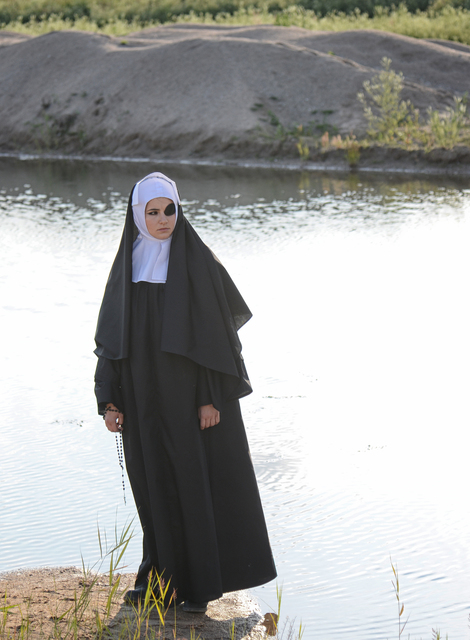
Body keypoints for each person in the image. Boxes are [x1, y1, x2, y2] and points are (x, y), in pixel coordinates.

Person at [93, 171, 276, 614]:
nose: (163, 220)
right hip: (141, 397)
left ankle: (197, 588)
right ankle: (158, 584)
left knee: (192, 484)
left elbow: (216, 340)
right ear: (137, 216)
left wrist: (210, 397)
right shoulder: (127, 266)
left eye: (169, 210)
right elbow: (111, 341)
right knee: (152, 484)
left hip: (189, 399)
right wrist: (110, 399)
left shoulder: (197, 264)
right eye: (153, 212)